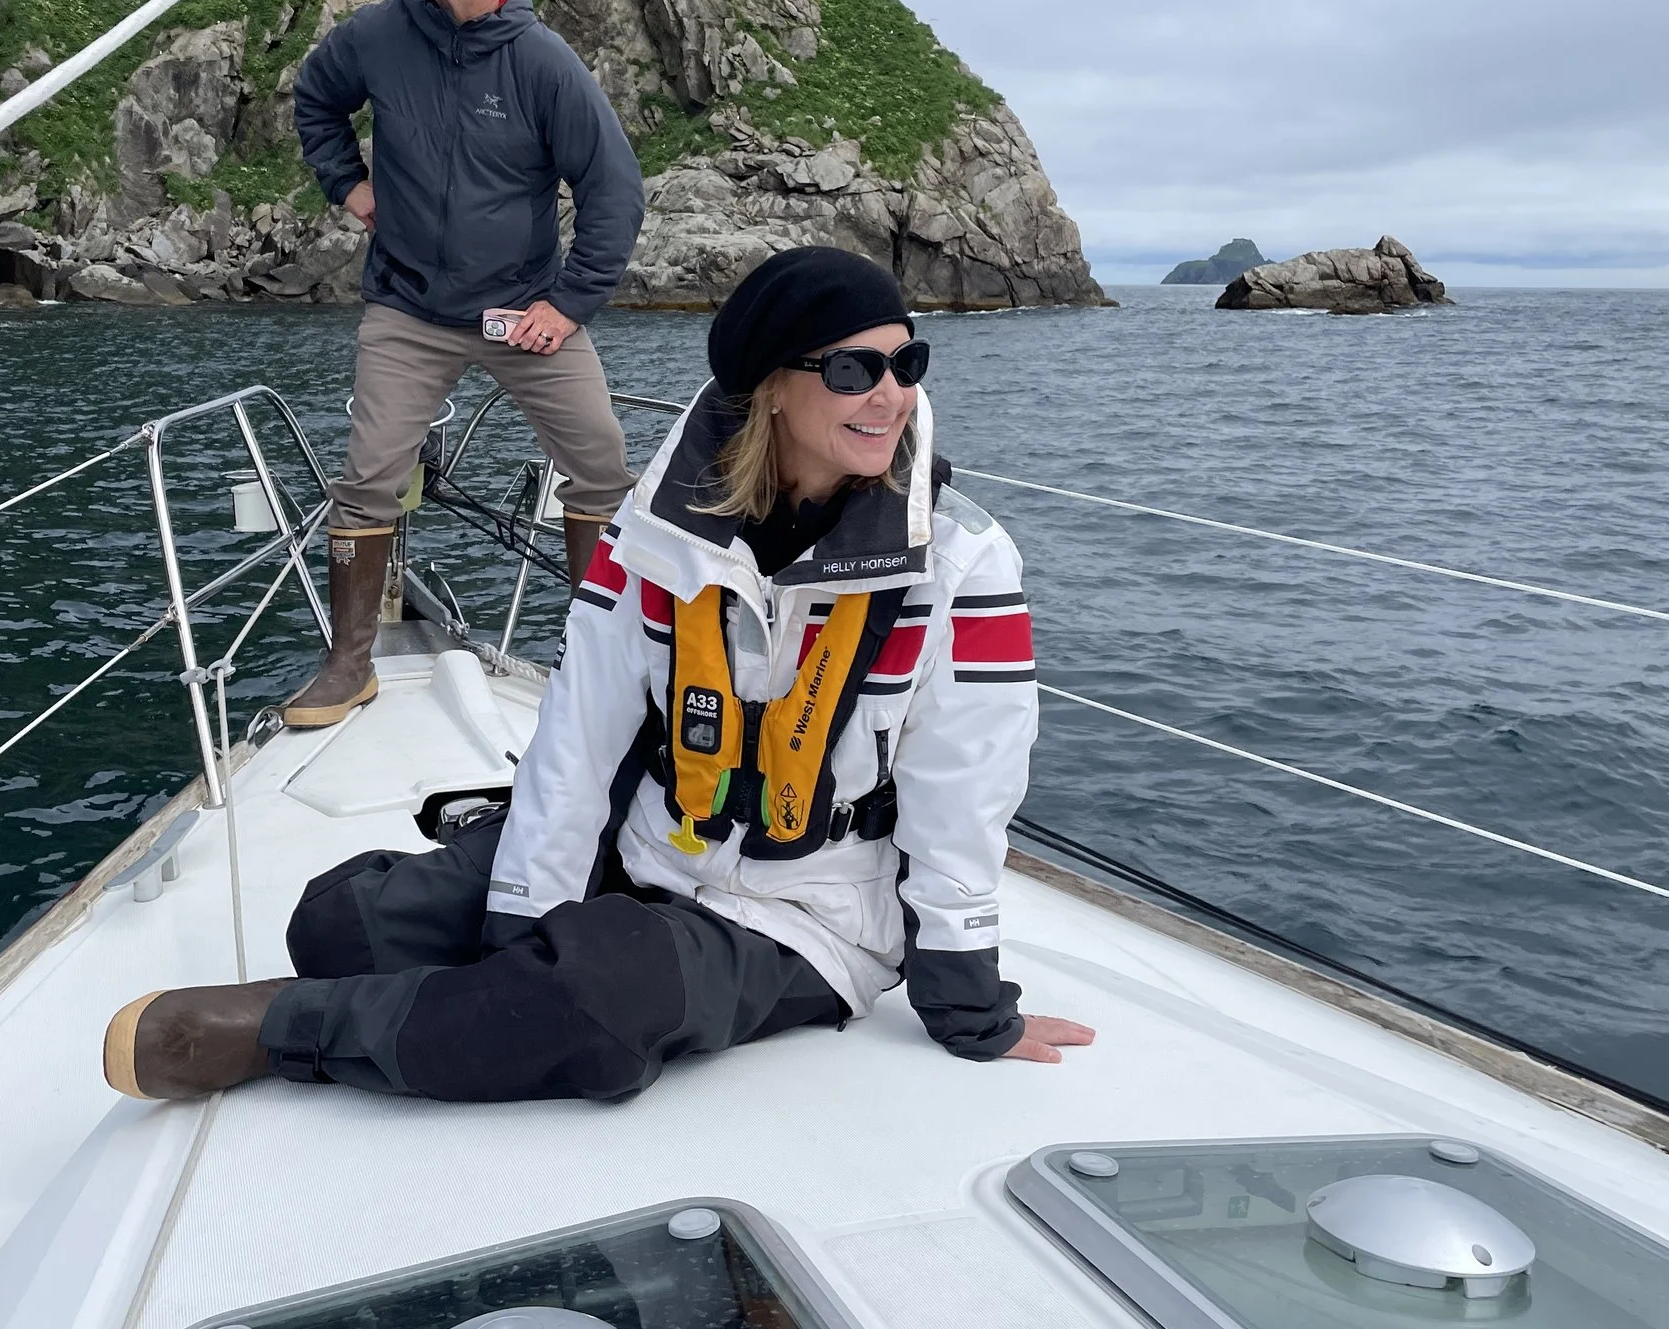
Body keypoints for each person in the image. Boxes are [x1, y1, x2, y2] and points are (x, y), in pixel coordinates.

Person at [101, 246, 1095, 1102]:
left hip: (810, 920)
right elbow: (581, 730)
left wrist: (970, 1009)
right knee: (340, 924)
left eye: (904, 364)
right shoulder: (656, 532)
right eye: (851, 368)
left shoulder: (963, 564)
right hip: (648, 846)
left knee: (596, 1008)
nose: (890, 393)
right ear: (771, 388)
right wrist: (523, 922)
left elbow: (964, 796)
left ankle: (281, 1034)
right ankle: (477, 979)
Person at [282, 0, 646, 730]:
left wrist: (568, 303)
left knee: (601, 466)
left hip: (523, 311)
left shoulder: (543, 61)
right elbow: (315, 100)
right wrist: (350, 186)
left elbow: (613, 186)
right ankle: (347, 664)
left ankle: (600, 661)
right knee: (368, 479)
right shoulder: (377, 36)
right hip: (407, 308)